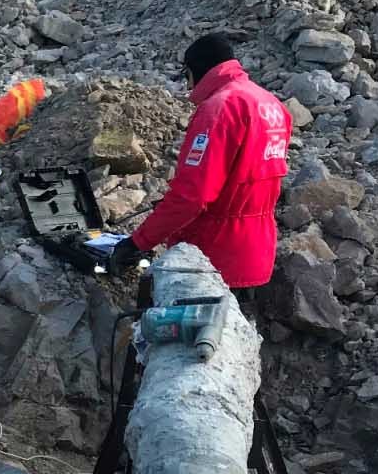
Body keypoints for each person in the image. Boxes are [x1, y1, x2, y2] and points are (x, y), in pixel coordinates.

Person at [110, 34, 292, 289]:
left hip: (213, 258)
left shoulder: (220, 108)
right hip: (255, 252)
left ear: (195, 70)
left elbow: (193, 195)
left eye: (186, 77)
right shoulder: (270, 104)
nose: (188, 86)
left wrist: (138, 242)